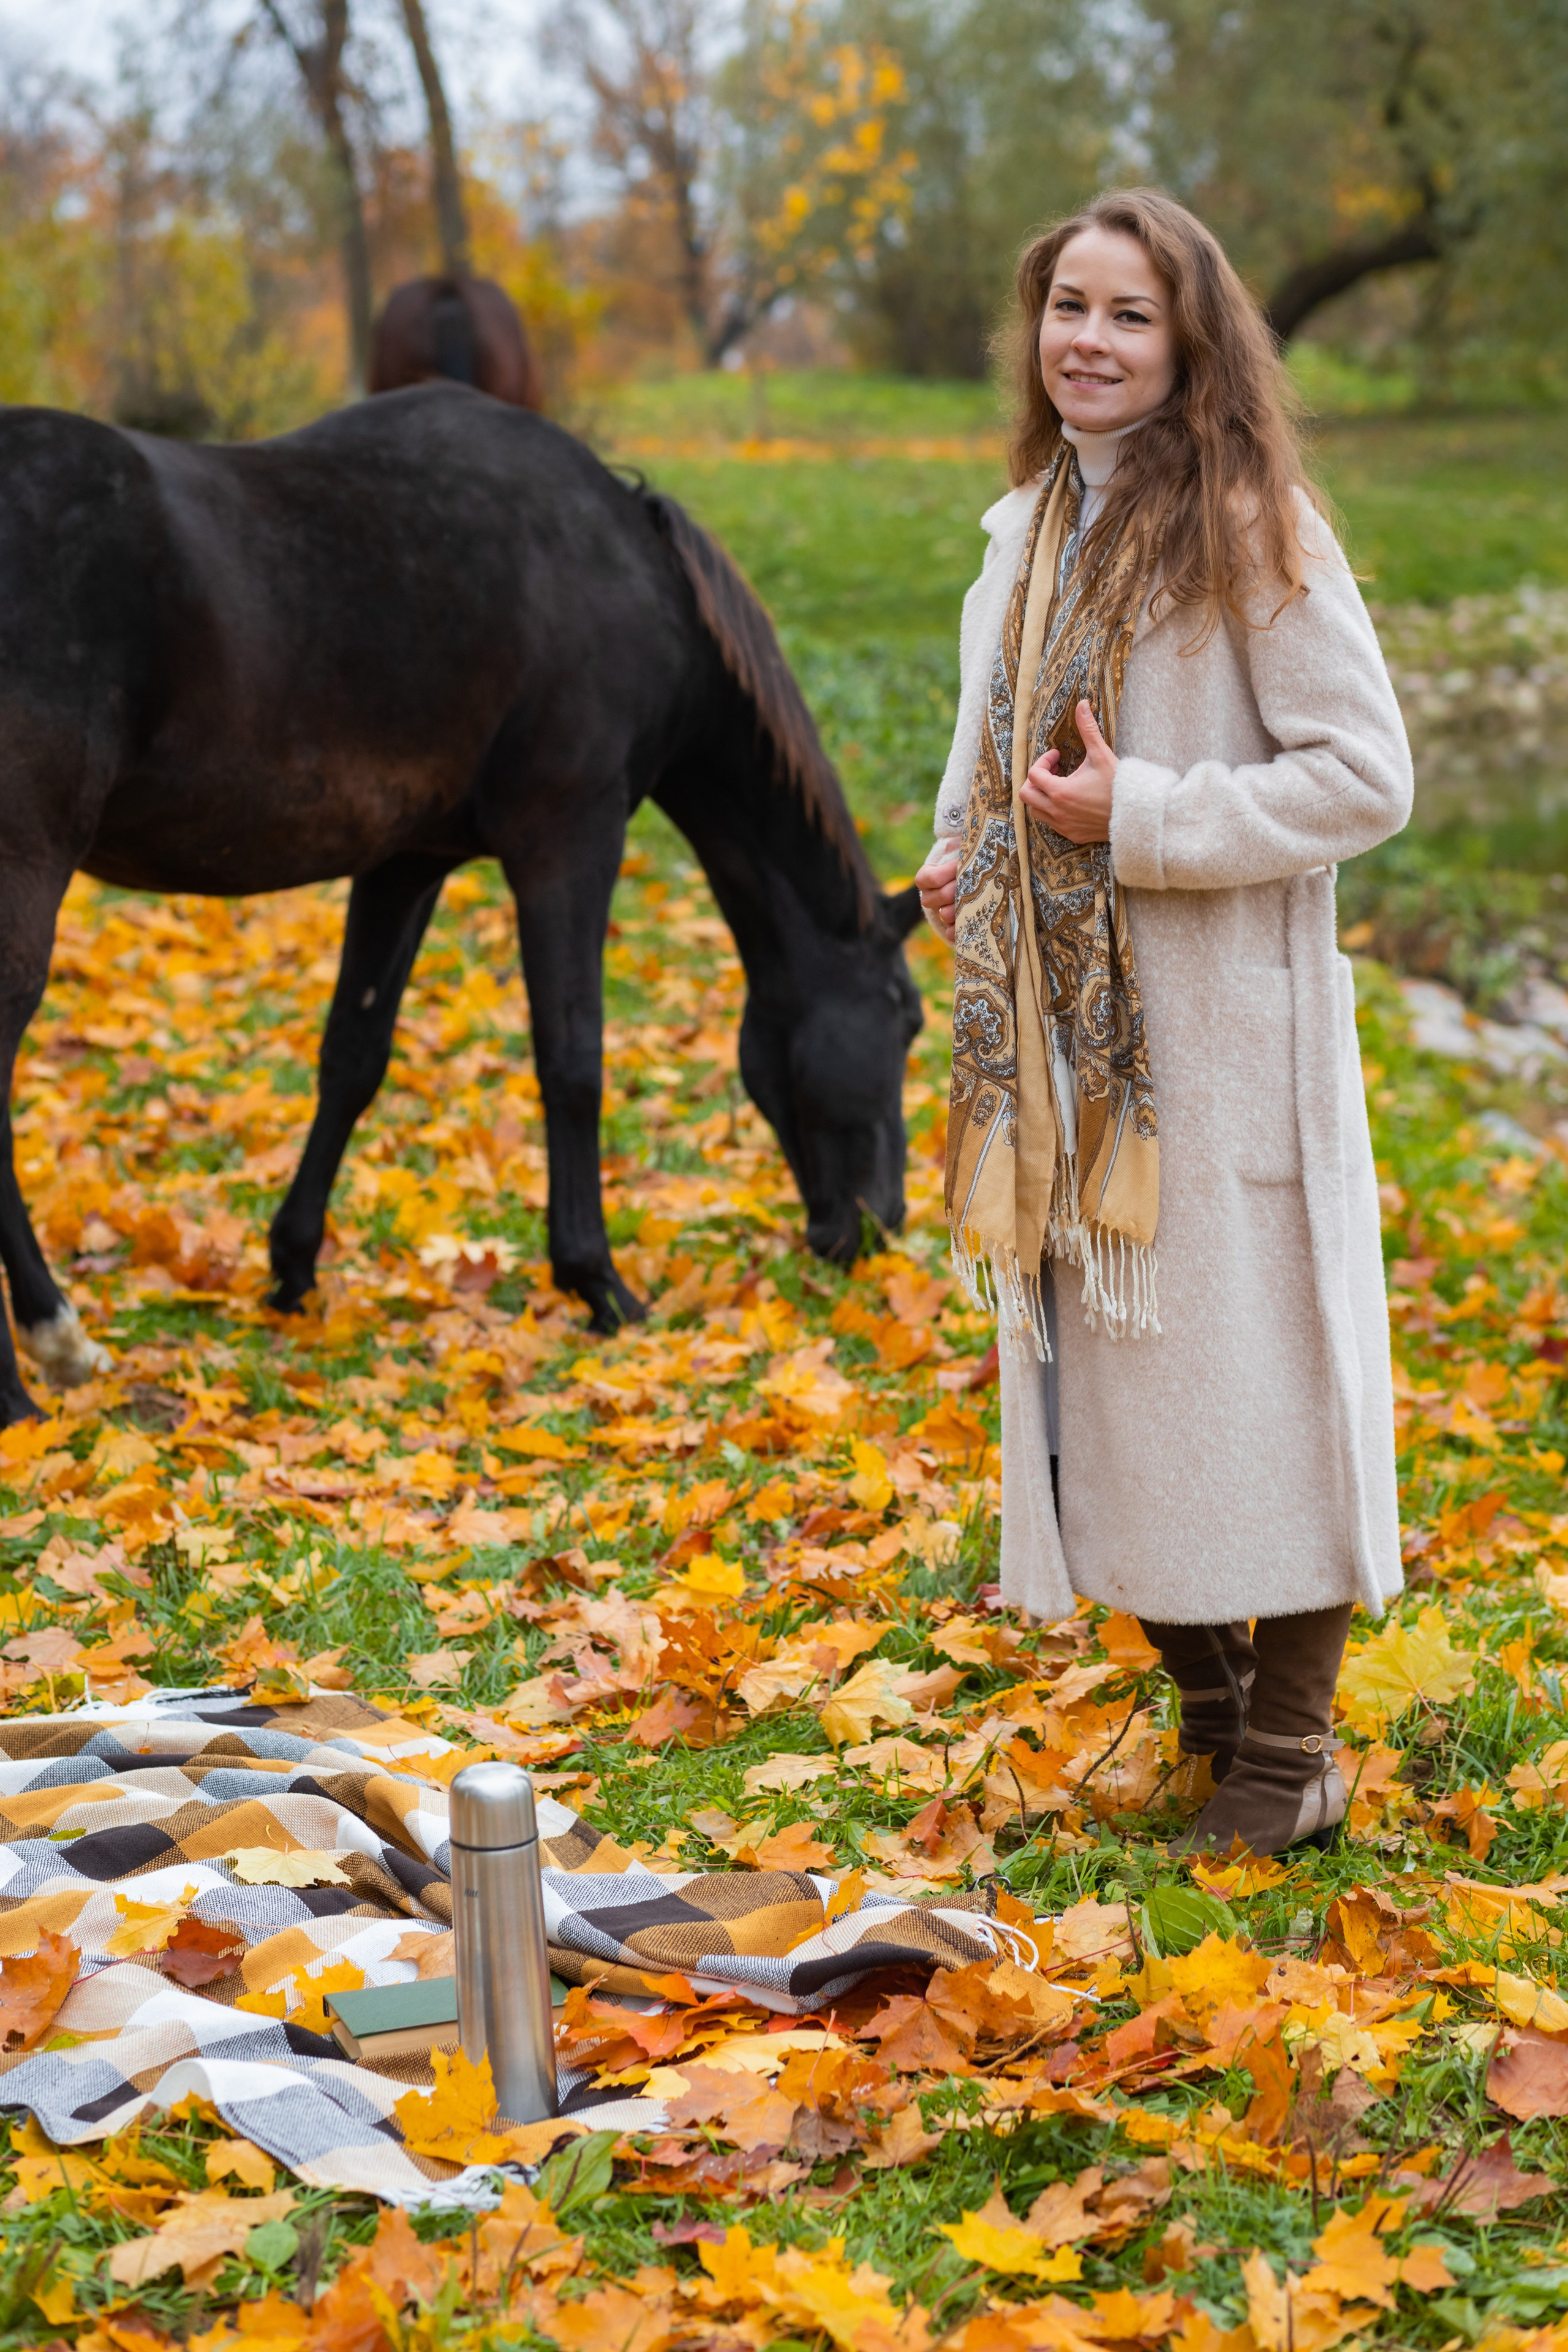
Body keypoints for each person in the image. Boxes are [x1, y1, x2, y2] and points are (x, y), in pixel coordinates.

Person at [913, 187, 1413, 1858]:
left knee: (1264, 1397)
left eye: (1131, 314)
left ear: (1192, 340)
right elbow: (998, 736)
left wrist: (1140, 814)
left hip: (1217, 1044)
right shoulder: (1028, 528)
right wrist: (963, 845)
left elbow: (1366, 779)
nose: (1092, 340)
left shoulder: (1255, 522)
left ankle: (1288, 1763)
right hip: (1063, 1052)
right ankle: (1212, 1717)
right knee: (1099, 1405)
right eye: (1070, 305)